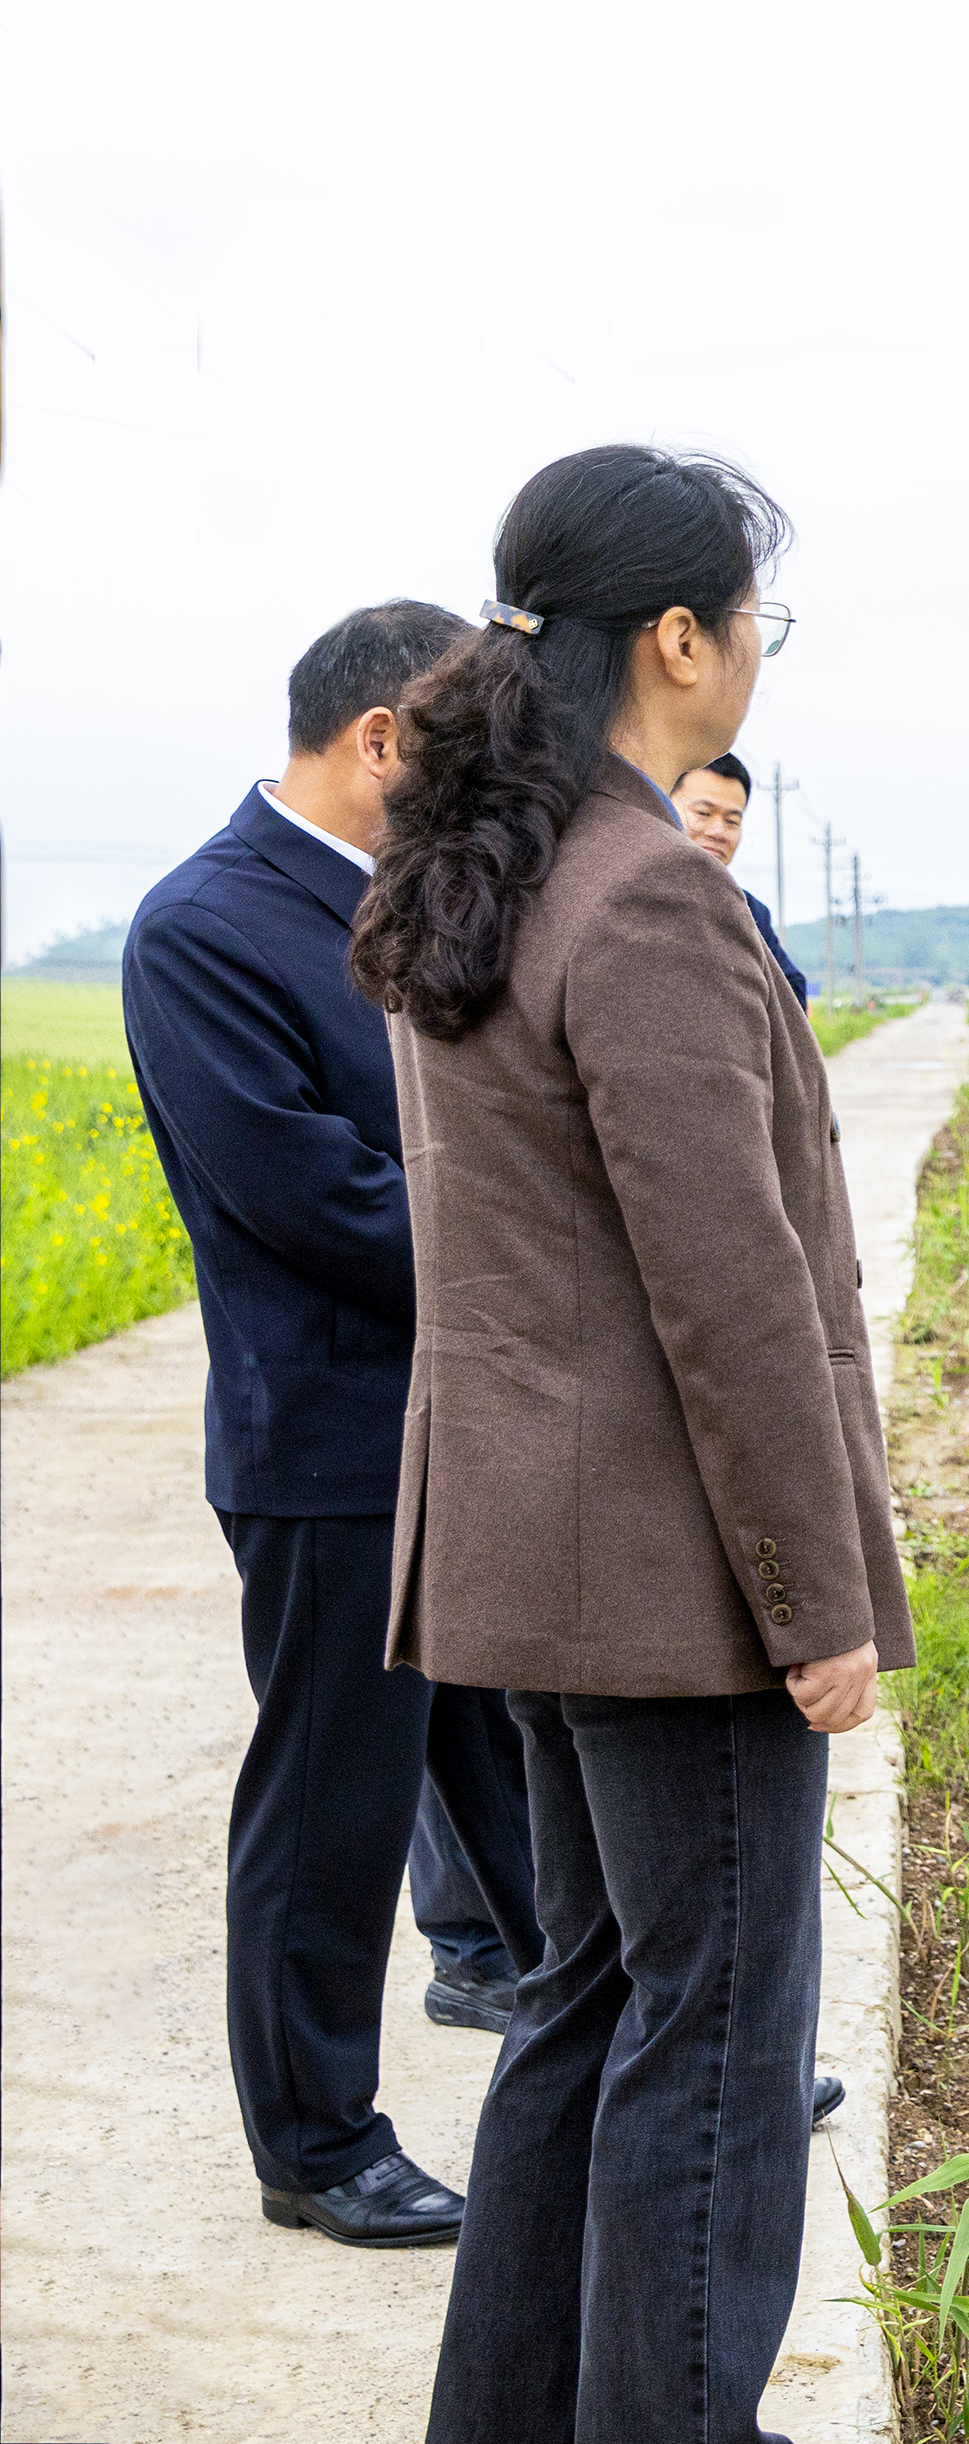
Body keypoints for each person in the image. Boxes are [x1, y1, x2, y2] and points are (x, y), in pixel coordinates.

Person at [348, 443, 907, 2442]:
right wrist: (816, 1599)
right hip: (673, 1588)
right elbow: (731, 1301)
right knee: (719, 2042)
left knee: (586, 2011)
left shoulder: (483, 869)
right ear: (681, 638)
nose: (756, 652)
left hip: (531, 1561)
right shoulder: (649, 894)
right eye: (752, 617)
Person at [123, 601, 545, 2250]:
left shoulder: (418, 904)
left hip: (470, 1418)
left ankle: (641, 2034)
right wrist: (546, 1243)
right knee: (332, 1807)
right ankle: (315, 2138)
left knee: (517, 1764)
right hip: (335, 1443)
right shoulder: (206, 927)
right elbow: (317, 1195)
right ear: (380, 739)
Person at [673, 748, 811, 1002]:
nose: (719, 831)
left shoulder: (751, 912)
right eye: (703, 813)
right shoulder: (636, 894)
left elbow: (793, 991)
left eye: (732, 821)